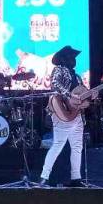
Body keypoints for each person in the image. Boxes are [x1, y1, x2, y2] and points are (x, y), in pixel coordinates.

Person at [39, 45, 86, 187]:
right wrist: (69, 95)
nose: (74, 59)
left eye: (74, 57)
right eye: (71, 57)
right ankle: (44, 177)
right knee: (58, 145)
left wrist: (91, 96)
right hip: (61, 110)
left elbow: (82, 95)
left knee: (77, 146)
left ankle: (76, 178)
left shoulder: (77, 76)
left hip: (76, 114)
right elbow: (55, 84)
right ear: (64, 59)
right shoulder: (58, 70)